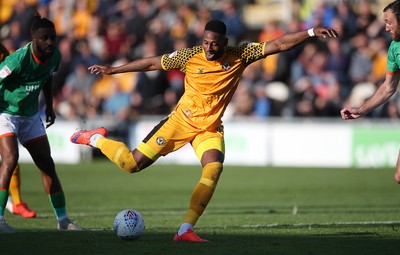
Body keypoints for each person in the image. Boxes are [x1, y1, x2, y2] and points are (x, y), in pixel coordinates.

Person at [71, 20, 338, 242]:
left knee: (214, 168)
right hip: (180, 122)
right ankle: (95, 138)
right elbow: (153, 63)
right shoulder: (190, 55)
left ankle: (185, 229)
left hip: (208, 128)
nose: (209, 48)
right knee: (130, 164)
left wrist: (311, 32)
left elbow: (279, 44)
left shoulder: (241, 54)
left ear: (225, 42)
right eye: (206, 42)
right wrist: (114, 70)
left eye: (215, 44)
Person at [0, 15, 82, 233]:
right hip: (6, 114)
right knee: (11, 159)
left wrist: (51, 107)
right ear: (33, 39)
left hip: (30, 115)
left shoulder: (55, 56)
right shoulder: (17, 60)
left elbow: (47, 77)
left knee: (47, 164)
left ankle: (63, 221)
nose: (50, 42)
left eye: (52, 38)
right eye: (44, 38)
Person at [341, 0, 400, 184]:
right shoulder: (394, 48)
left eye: (389, 22)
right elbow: (388, 87)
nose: (386, 27)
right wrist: (362, 109)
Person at [0, 42, 37, 219]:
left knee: (10, 159)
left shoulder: (5, 53)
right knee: (9, 159)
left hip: (4, 110)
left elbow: (8, 70)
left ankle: (17, 202)